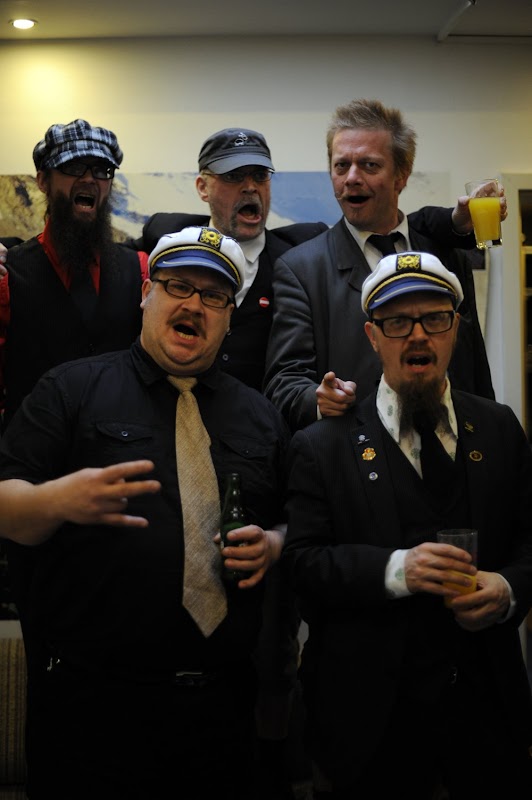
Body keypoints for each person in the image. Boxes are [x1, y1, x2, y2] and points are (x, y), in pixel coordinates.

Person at [0, 226, 291, 800]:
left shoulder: (261, 417)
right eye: (178, 286)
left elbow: (299, 519)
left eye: (214, 296)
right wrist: (56, 500)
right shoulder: (71, 390)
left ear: (229, 317)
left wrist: (275, 544)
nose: (194, 305)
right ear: (145, 294)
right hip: (91, 715)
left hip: (223, 715)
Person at [281, 251, 532, 799]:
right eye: (397, 322)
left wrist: (510, 588)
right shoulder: (321, 446)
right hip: (369, 733)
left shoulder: (499, 427)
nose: (418, 335)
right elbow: (302, 565)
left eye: (435, 318)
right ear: (372, 336)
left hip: (488, 729)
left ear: (455, 330)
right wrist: (398, 570)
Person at [132, 126, 478, 393]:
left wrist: (453, 221)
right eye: (234, 177)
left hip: (256, 430)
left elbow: (388, 224)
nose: (250, 187)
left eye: (260, 175)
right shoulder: (166, 237)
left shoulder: (298, 251)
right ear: (202, 187)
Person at [263, 99, 498, 432]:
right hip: (355, 450)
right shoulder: (301, 270)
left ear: (402, 175)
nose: (351, 178)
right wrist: (315, 399)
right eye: (341, 166)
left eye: (369, 165)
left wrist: (488, 433)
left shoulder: (446, 256)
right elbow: (283, 382)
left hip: (450, 445)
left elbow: (473, 366)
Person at [0, 118, 149, 430]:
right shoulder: (8, 273)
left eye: (102, 170)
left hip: (119, 445)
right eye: (74, 167)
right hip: (30, 447)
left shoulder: (139, 269)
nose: (89, 178)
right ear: (43, 181)